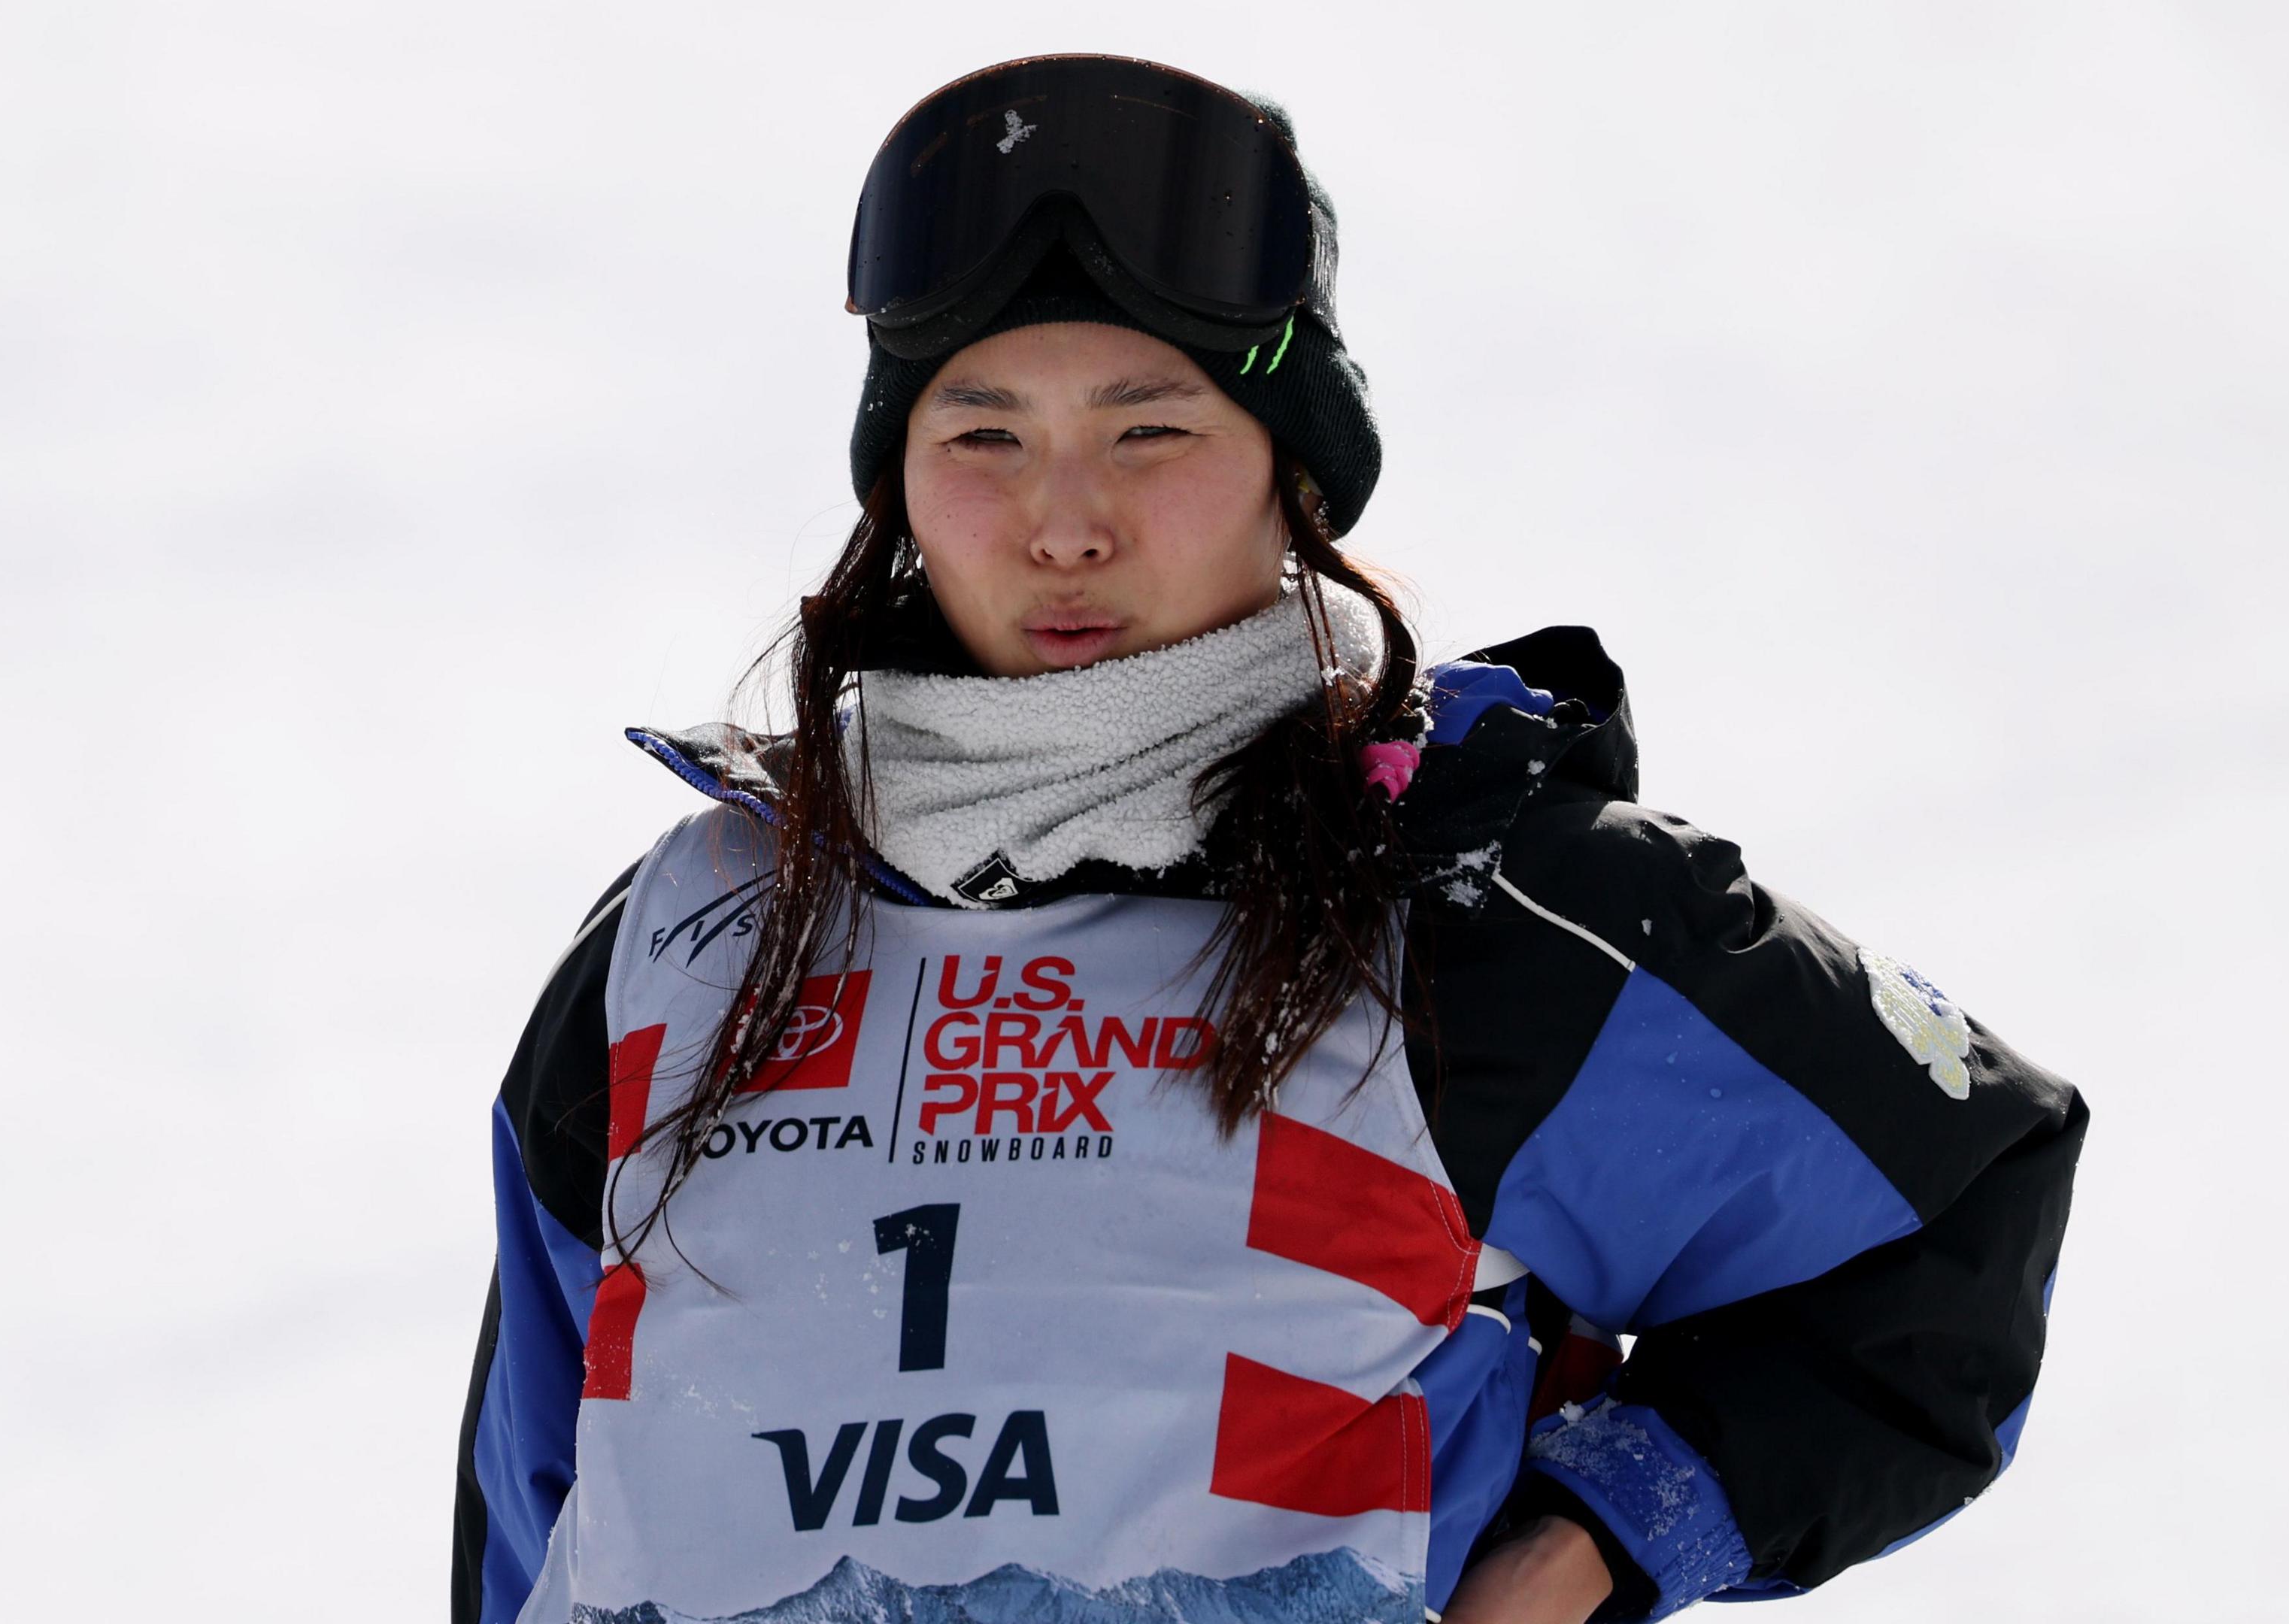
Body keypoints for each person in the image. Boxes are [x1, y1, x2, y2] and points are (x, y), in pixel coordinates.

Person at [453, 55, 2084, 1624]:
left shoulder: (1474, 910)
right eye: (983, 434)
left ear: (1294, 475)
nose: (1064, 520)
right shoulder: (688, 939)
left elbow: (1950, 1212)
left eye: (1149, 430)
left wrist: (1591, 1545)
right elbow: (532, 1509)